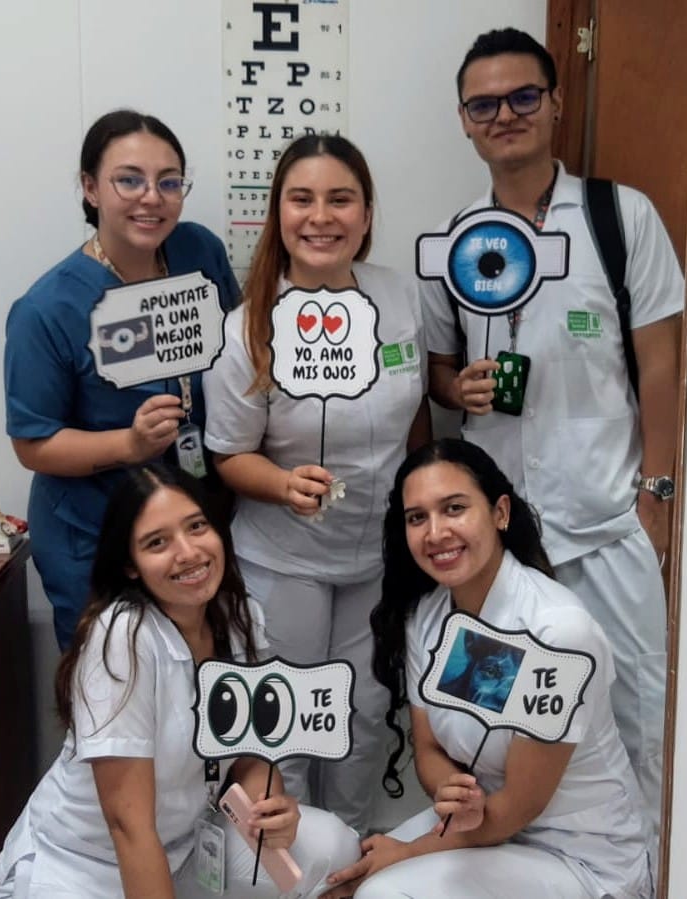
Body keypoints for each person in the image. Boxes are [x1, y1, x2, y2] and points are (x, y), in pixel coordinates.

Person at [421, 28, 683, 837]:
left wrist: (657, 494)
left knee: (636, 718)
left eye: (523, 96)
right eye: (484, 104)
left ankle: (636, 874)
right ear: (463, 121)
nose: (504, 114)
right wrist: (453, 384)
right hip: (499, 541)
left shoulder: (618, 216)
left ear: (555, 104)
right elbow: (432, 373)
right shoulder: (454, 238)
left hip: (606, 522)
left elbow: (660, 366)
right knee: (495, 724)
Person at [0, 463, 360, 899]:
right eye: (157, 542)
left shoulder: (240, 615)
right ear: (130, 565)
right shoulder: (121, 638)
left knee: (334, 849)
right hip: (83, 868)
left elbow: (253, 750)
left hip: (186, 847)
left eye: (197, 526)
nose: (187, 553)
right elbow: (128, 827)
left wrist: (269, 807)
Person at [203, 134, 430, 833]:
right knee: (291, 719)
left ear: (365, 214)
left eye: (341, 198)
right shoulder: (246, 328)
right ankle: (294, 870)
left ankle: (352, 860)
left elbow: (416, 408)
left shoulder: (396, 294)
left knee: (364, 716)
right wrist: (279, 483)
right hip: (284, 561)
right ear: (277, 212)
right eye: (301, 199)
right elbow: (227, 454)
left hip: (376, 560)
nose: (320, 216)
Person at [322, 439, 651, 899]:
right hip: (487, 827)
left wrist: (409, 851)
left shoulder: (558, 633)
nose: (435, 532)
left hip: (579, 856)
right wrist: (453, 792)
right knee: (343, 875)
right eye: (417, 517)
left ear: (500, 512)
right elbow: (430, 747)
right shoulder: (429, 616)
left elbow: (520, 806)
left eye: (454, 508)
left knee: (383, 892)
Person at [4, 109, 239, 650]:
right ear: (90, 188)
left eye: (169, 181)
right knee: (113, 689)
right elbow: (33, 444)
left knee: (201, 682)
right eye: (128, 180)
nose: (151, 197)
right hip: (95, 532)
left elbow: (235, 349)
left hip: (191, 518)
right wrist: (128, 444)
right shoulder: (47, 309)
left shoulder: (198, 251)